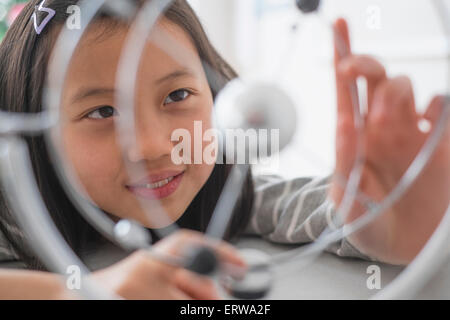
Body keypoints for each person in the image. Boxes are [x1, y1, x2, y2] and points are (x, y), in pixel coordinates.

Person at [0, 0, 448, 299]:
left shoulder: (232, 192)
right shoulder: (12, 216)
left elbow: (322, 206)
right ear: (33, 131)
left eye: (177, 96)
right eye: (101, 111)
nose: (156, 146)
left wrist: (381, 217)